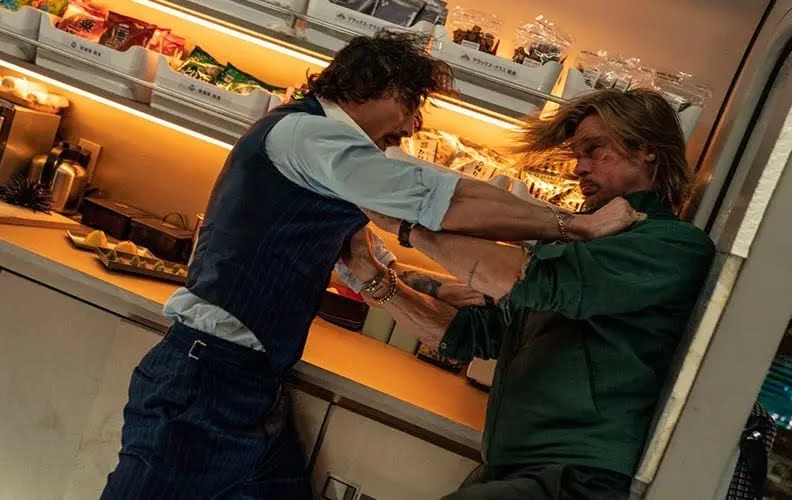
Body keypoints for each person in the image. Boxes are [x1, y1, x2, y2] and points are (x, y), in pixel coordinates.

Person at [101, 32, 643, 499]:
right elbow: (441, 199)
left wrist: (444, 286)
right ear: (378, 87)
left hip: (246, 387)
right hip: (204, 383)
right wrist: (574, 226)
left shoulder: (330, 160)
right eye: (411, 106)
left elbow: (359, 261)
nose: (410, 128)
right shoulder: (311, 136)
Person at [339, 88, 716, 500]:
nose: (579, 168)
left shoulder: (671, 245)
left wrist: (408, 225)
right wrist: (373, 279)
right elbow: (475, 334)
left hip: (576, 479)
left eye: (594, 150)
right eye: (577, 155)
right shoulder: (583, 240)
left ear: (646, 149)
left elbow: (523, 279)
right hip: (513, 467)